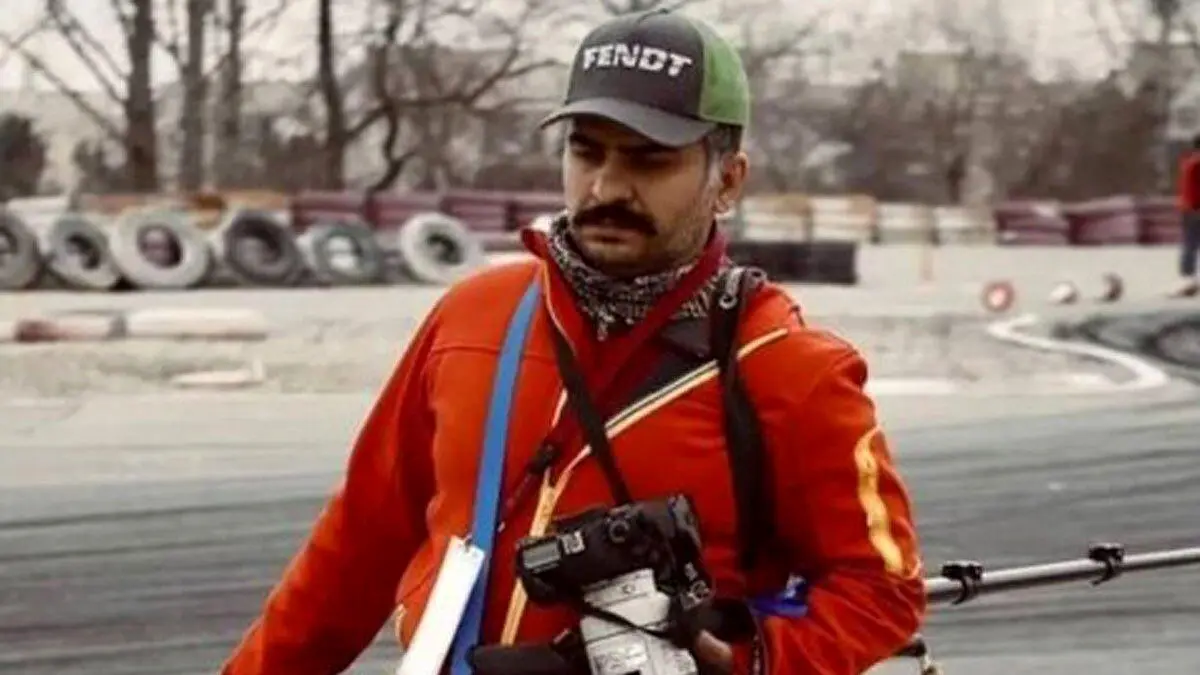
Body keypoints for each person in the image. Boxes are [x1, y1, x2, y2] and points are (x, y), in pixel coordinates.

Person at [222, 9, 926, 675]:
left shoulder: (789, 366)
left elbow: (883, 588)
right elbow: (357, 546)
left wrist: (749, 661)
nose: (606, 187)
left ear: (728, 180)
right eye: (586, 152)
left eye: (650, 161)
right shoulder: (472, 318)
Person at [1171, 134, 1200, 298]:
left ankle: (1187, 277)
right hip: (1195, 208)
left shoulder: (1188, 161)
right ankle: (1187, 277)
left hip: (1187, 207)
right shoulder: (1197, 163)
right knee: (1191, 243)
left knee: (1190, 243)